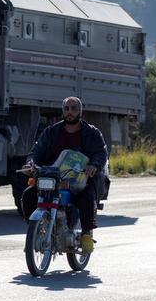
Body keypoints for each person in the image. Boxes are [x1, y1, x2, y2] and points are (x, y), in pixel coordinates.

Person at [20, 96, 108, 253]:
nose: (70, 112)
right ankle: (35, 231)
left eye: (74, 109)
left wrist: (93, 166)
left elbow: (101, 153)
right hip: (53, 178)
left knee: (86, 195)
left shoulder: (92, 133)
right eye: (67, 109)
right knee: (29, 195)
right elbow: (37, 151)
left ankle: (86, 233)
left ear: (80, 111)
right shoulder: (51, 132)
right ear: (62, 111)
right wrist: (30, 164)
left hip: (80, 179)